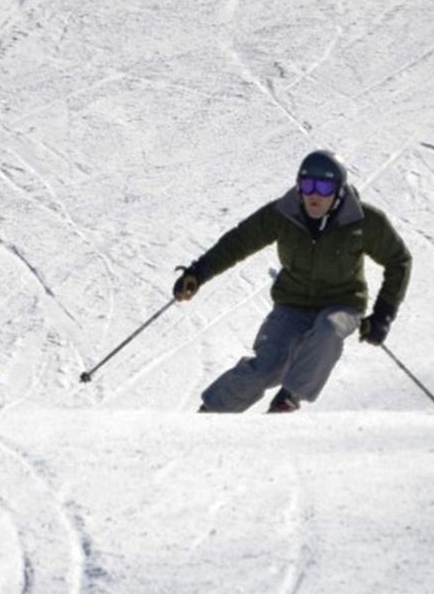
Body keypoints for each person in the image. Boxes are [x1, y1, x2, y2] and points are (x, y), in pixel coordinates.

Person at [173, 150, 411, 413]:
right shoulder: (283, 214)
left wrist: (383, 315)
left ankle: (289, 398)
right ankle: (209, 415)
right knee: (267, 366)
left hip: (342, 304)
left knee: (328, 330)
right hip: (293, 304)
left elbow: (398, 260)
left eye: (324, 186)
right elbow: (238, 242)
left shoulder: (364, 221)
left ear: (339, 190)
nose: (314, 194)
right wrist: (198, 272)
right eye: (308, 184)